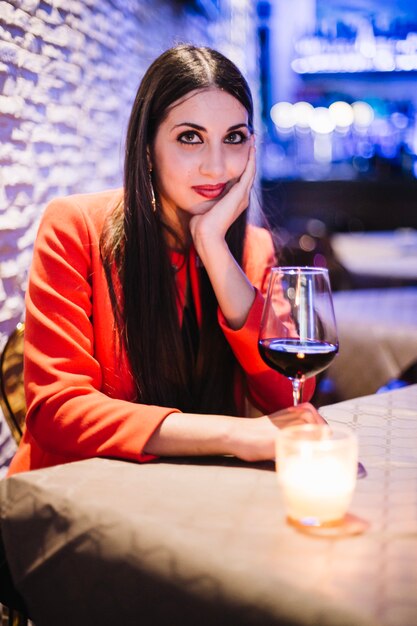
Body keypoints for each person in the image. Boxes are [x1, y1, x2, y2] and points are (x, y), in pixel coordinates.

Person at [7, 44, 324, 476]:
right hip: (78, 496)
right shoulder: (75, 227)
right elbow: (57, 409)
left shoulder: (252, 249)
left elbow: (292, 393)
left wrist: (213, 246)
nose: (216, 168)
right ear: (148, 149)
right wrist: (235, 434)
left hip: (195, 490)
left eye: (234, 138)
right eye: (190, 138)